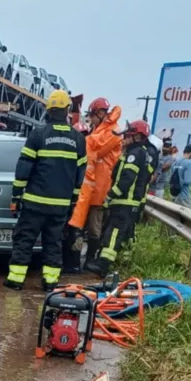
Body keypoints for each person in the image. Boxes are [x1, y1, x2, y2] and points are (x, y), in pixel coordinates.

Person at [4, 90, 87, 292]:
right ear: (67, 110)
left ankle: (16, 280)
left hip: (34, 203)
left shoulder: (38, 134)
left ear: (49, 111)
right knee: (53, 244)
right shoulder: (78, 139)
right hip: (60, 206)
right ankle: (50, 283)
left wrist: (16, 196)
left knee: (24, 240)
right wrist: (73, 203)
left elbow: (24, 168)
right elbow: (79, 175)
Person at [86, 120, 152, 277]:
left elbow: (126, 179)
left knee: (113, 233)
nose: (125, 138)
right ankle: (121, 263)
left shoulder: (135, 154)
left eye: (129, 135)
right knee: (124, 234)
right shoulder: (140, 153)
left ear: (137, 136)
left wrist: (110, 195)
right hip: (128, 203)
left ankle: (103, 265)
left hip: (124, 203)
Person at [67, 97, 123, 272]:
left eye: (92, 116)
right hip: (89, 187)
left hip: (99, 189)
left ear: (100, 113)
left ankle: (90, 260)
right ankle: (77, 262)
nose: (90, 120)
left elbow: (94, 148)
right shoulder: (101, 130)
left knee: (93, 227)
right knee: (79, 225)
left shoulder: (112, 132)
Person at [62, 121, 92, 273]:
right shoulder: (76, 153)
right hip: (73, 198)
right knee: (70, 232)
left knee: (75, 233)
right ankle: (70, 263)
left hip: (80, 199)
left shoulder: (87, 153)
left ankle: (73, 264)